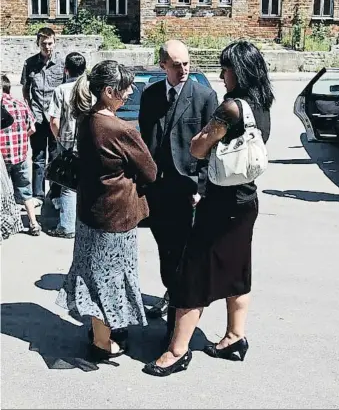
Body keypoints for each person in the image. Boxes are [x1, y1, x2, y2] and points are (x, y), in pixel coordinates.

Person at [143, 41, 274, 377]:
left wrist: (203, 139)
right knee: (238, 269)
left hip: (220, 202)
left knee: (191, 276)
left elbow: (199, 148)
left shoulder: (231, 108)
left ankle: (176, 351)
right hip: (247, 199)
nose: (221, 75)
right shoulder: (263, 105)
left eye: (225, 68)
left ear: (238, 71)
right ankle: (234, 337)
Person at [56, 60, 157, 362]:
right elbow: (150, 171)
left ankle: (102, 333)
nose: (130, 92)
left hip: (91, 212)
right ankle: (102, 344)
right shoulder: (119, 128)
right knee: (107, 281)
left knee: (94, 275)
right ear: (110, 91)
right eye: (126, 88)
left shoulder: (87, 119)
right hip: (115, 217)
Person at [138, 40, 218, 347]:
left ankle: (174, 328)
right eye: (175, 65)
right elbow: (146, 140)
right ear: (163, 66)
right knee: (165, 251)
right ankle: (170, 292)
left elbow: (211, 147)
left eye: (186, 63)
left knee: (183, 258)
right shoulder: (151, 96)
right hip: (159, 190)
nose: (183, 69)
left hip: (188, 191)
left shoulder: (204, 96)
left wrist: (201, 187)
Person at [20, 27, 64, 202]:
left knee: (55, 156)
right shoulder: (30, 63)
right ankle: (37, 194)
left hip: (55, 117)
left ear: (55, 42)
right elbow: (25, 89)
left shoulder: (61, 63)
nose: (47, 47)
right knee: (38, 157)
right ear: (37, 43)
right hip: (37, 118)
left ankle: (55, 193)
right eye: (44, 43)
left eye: (50, 43)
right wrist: (30, 111)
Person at [47, 52, 87, 238]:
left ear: (66, 69)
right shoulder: (91, 89)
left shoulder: (61, 90)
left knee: (68, 185)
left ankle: (67, 226)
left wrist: (59, 140)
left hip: (68, 141)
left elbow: (54, 121)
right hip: (90, 140)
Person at [1, 75, 41, 236]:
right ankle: (33, 223)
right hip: (20, 155)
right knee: (25, 191)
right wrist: (22, 137)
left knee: (4, 194)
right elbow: (33, 128)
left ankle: (7, 224)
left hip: (2, 159)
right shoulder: (21, 104)